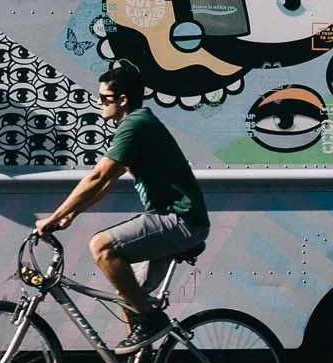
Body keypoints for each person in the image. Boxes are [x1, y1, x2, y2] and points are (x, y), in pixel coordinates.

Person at [34, 60, 210, 347]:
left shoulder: (135, 124)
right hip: (176, 220)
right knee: (129, 295)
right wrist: (71, 215)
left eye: (104, 98)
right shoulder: (138, 124)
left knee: (101, 246)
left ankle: (151, 320)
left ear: (123, 99)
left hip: (181, 220)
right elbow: (106, 184)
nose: (99, 103)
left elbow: (97, 176)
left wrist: (53, 217)